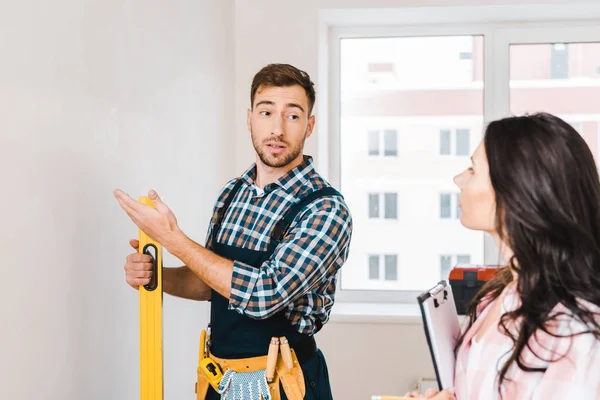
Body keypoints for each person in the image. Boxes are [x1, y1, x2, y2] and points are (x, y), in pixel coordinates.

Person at [114, 63, 353, 400]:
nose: (277, 129)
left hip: (286, 385)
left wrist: (173, 239)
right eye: (266, 112)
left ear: (309, 125)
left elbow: (263, 295)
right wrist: (157, 276)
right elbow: (210, 282)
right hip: (221, 383)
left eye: (293, 116)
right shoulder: (233, 193)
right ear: (249, 118)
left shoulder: (325, 209)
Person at [409, 113, 600, 399]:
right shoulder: (496, 296)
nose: (458, 180)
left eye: (472, 170)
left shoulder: (575, 331)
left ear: (515, 191)